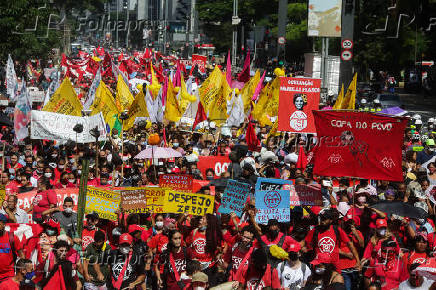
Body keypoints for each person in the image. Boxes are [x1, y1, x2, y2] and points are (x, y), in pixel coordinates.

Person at [0, 213, 24, 282]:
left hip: (8, 275)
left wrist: (22, 272)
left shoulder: (12, 237)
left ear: (4, 224)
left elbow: (21, 255)